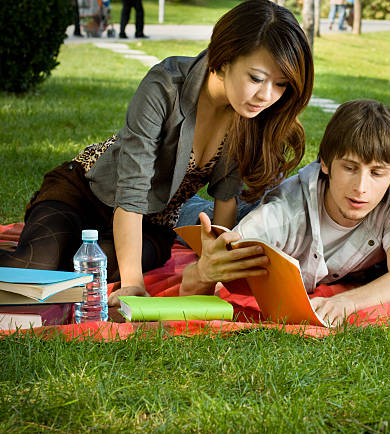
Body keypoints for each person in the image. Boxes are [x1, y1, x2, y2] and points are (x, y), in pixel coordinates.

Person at [0, 0, 314, 308]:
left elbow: (226, 198)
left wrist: (213, 269)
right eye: (257, 78)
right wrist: (134, 283)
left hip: (152, 227)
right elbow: (132, 191)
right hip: (85, 195)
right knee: (32, 270)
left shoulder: (249, 116)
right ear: (224, 57)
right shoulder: (165, 86)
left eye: (281, 84)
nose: (267, 95)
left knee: (83, 273)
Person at [180, 99, 390, 327]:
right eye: (350, 168)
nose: (361, 188)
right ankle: (167, 201)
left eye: (377, 173)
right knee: (181, 214)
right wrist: (204, 272)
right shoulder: (283, 213)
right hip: (254, 210)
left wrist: (344, 303)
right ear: (326, 164)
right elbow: (201, 284)